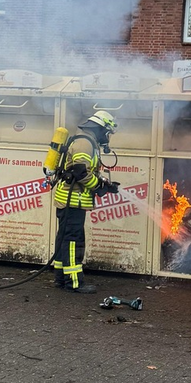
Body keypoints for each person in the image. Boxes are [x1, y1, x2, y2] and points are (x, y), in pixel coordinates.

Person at [52, 111, 120, 293]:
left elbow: (85, 170)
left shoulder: (87, 141)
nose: (108, 137)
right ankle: (74, 282)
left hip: (71, 200)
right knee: (73, 241)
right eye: (107, 133)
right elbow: (79, 171)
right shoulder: (85, 143)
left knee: (65, 239)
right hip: (73, 201)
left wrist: (103, 183)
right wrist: (98, 186)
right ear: (100, 129)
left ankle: (61, 278)